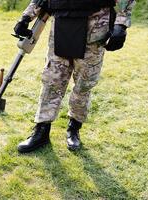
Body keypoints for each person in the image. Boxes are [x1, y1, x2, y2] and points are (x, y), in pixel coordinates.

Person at [14, 0, 136, 152]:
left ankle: (74, 129)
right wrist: (26, 17)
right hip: (62, 23)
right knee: (52, 80)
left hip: (95, 25)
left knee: (83, 84)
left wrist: (121, 24)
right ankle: (41, 132)